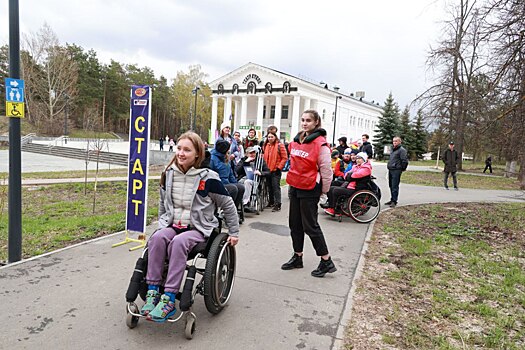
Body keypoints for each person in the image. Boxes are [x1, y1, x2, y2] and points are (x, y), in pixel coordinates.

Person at [140, 131, 239, 322]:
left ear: (197, 154)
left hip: (198, 229)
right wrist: (162, 223)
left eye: (187, 150)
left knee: (178, 242)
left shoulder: (209, 178)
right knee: (158, 239)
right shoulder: (168, 174)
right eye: (179, 148)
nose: (181, 153)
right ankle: (152, 291)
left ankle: (169, 298)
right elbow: (163, 202)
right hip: (173, 224)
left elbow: (227, 204)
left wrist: (233, 232)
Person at [282, 109, 336, 278]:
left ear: (316, 123)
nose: (305, 123)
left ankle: (326, 260)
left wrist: (324, 190)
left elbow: (327, 170)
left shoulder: (321, 144)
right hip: (295, 186)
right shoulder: (298, 139)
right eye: (303, 120)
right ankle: (298, 256)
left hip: (310, 188)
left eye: (308, 121)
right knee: (295, 224)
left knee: (310, 226)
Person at [210, 139, 245, 212]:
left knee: (240, 187)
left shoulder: (225, 158)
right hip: (217, 185)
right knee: (233, 188)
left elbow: (230, 174)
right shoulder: (212, 159)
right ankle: (227, 210)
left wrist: (235, 182)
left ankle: (233, 209)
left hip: (226, 183)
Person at [236, 146, 270, 213]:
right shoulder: (243, 160)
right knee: (239, 184)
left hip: (255, 179)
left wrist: (261, 173)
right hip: (243, 178)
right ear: (247, 154)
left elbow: (268, 172)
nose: (252, 154)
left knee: (247, 182)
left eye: (254, 153)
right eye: (250, 153)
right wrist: (245, 162)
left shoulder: (260, 161)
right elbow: (237, 171)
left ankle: (245, 203)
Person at [263, 131, 288, 212]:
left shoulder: (280, 145)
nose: (270, 138)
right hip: (268, 170)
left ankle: (278, 204)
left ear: (275, 137)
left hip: (275, 170)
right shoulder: (266, 146)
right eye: (269, 137)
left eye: (271, 137)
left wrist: (279, 168)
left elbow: (284, 158)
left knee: (275, 187)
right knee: (269, 187)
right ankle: (271, 202)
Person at [385, 136, 409, 208]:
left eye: (396, 141)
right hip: (391, 169)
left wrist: (402, 168)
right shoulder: (393, 149)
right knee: (391, 185)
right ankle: (392, 199)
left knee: (395, 186)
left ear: (399, 142)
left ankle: (394, 201)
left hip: (396, 170)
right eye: (393, 141)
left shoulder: (402, 150)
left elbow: (404, 161)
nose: (394, 143)